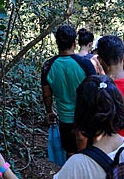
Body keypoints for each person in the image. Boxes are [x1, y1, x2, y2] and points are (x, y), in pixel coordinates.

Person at [41, 25, 96, 156]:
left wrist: (49, 111)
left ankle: (71, 175)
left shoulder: (48, 66)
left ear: (57, 43)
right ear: (74, 43)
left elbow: (47, 94)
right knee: (87, 153)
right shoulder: (85, 64)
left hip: (65, 118)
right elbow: (95, 92)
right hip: (84, 117)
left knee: (70, 152)